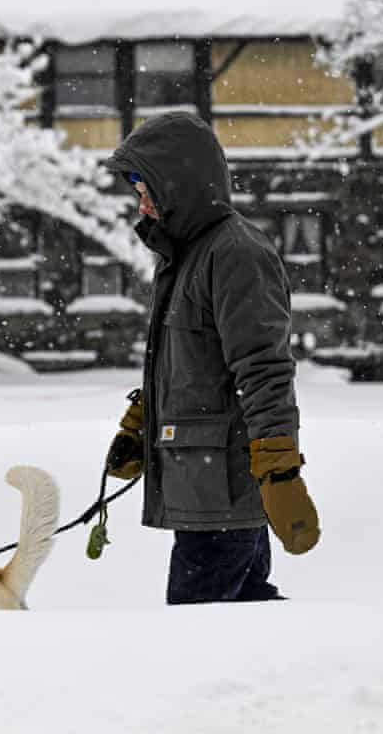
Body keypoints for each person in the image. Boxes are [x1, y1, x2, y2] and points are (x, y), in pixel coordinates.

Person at [99, 112, 321, 605]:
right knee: (241, 622)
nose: (140, 201)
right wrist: (140, 425)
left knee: (194, 637)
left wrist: (279, 471)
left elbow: (263, 371)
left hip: (225, 490)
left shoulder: (235, 255)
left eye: (145, 187)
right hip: (203, 482)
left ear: (177, 183)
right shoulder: (186, 256)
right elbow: (189, 367)